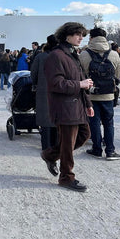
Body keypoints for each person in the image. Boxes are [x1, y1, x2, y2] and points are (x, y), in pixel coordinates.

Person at [40, 22, 94, 192]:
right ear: (67, 35)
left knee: (84, 135)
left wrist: (88, 104)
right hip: (64, 107)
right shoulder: (56, 56)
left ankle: (50, 155)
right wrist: (80, 84)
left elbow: (81, 81)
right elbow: (56, 84)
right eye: (78, 34)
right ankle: (66, 177)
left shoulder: (72, 54)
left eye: (82, 35)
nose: (81, 37)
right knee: (68, 142)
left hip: (76, 106)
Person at [79, 27, 120, 160]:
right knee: (109, 122)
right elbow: (118, 76)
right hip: (108, 95)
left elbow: (80, 76)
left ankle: (96, 149)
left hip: (90, 94)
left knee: (94, 122)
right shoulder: (114, 54)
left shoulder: (84, 54)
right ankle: (110, 151)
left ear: (91, 37)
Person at [31, 35, 58, 150]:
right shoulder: (61, 56)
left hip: (43, 90)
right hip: (58, 91)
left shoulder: (40, 57)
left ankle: (46, 145)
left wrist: (36, 84)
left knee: (45, 118)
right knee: (57, 117)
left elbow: (33, 73)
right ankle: (56, 144)